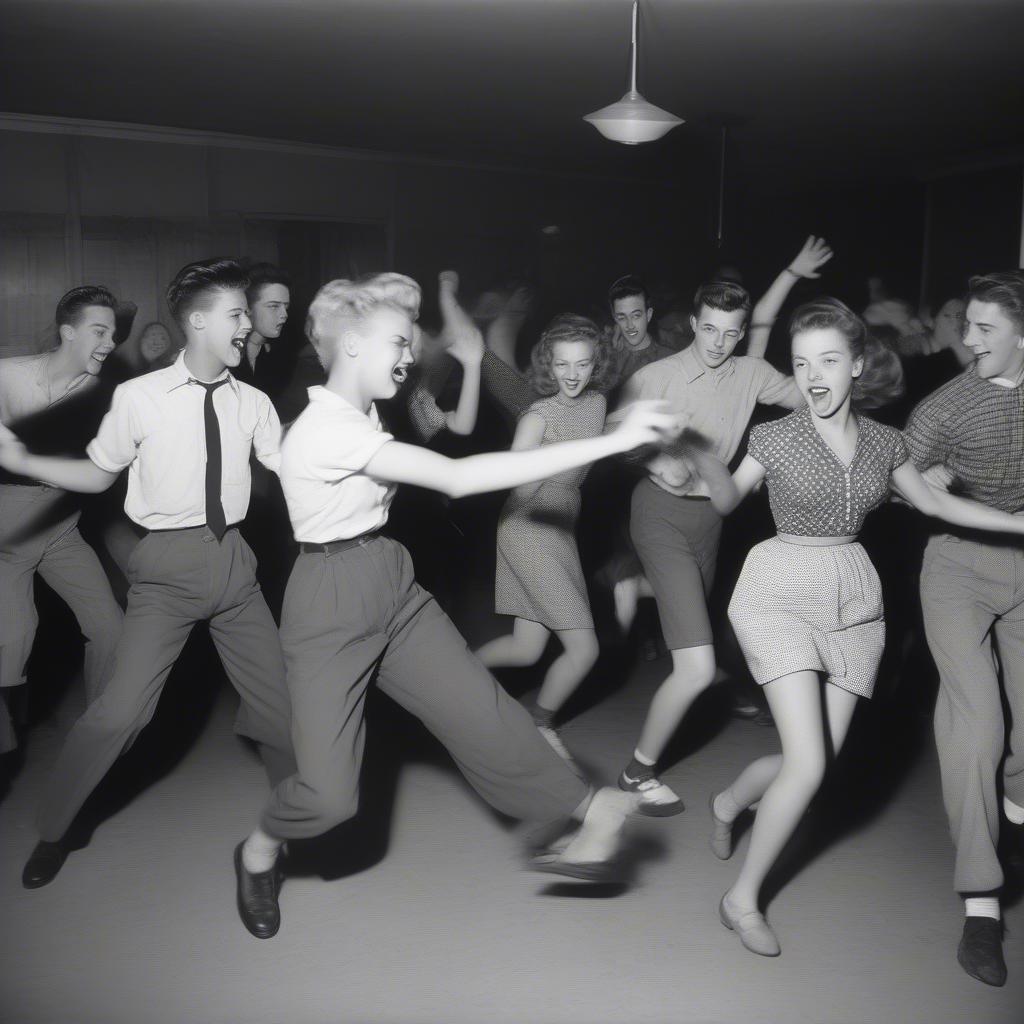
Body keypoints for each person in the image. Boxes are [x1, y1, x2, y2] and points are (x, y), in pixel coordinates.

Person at [233, 272, 681, 939]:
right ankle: (259, 849)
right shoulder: (327, 428)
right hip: (327, 601)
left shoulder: (360, 410)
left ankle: (591, 807)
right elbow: (458, 476)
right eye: (396, 341)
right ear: (351, 345)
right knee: (329, 797)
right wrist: (616, 441)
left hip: (389, 576)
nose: (409, 354)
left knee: (481, 706)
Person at [701, 297, 1024, 959]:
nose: (814, 373)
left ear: (856, 366)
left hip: (855, 600)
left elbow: (935, 502)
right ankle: (743, 900)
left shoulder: (886, 442)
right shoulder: (776, 436)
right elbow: (729, 497)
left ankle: (732, 800)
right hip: (779, 589)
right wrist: (696, 455)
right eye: (801, 362)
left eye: (828, 359)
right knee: (811, 761)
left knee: (813, 762)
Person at [0, 258, 295, 889]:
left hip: (236, 566)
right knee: (119, 713)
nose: (248, 326)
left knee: (280, 710)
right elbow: (99, 473)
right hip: (164, 568)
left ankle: (284, 833)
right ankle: (55, 829)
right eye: (237, 314)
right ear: (197, 322)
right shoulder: (139, 398)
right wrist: (25, 458)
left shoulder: (256, 402)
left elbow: (291, 468)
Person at [611, 278, 805, 815]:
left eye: (731, 333)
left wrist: (768, 458)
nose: (718, 343)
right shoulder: (657, 376)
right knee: (695, 666)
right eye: (710, 329)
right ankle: (637, 772)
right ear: (694, 323)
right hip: (658, 513)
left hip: (712, 521)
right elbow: (611, 430)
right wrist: (652, 457)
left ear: (743, 334)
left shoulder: (753, 373)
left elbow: (813, 398)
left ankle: (638, 583)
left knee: (687, 616)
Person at [904, 270, 1024, 987]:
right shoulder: (949, 404)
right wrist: (925, 482)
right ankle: (983, 905)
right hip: (957, 570)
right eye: (967, 325)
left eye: (985, 328)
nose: (968, 340)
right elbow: (898, 475)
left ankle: (1011, 811)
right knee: (977, 726)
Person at [474, 314, 617, 760]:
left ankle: (454, 676)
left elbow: (603, 437)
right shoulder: (537, 417)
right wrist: (541, 455)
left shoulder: (596, 404)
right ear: (547, 365)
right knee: (584, 648)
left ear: (596, 365)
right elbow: (516, 483)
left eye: (582, 364)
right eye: (562, 365)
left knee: (526, 647)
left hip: (560, 528)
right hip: (527, 526)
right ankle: (541, 724)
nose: (572, 375)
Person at [0, 287, 124, 759]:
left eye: (113, 333)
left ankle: (97, 736)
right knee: (14, 636)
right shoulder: (9, 375)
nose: (111, 342)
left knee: (110, 627)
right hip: (10, 525)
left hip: (63, 525)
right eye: (100, 330)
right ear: (68, 332)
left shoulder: (102, 392)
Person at [107, 320, 177, 381]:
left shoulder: (174, 370)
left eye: (163, 338)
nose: (156, 342)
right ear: (140, 340)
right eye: (151, 336)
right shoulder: (124, 371)